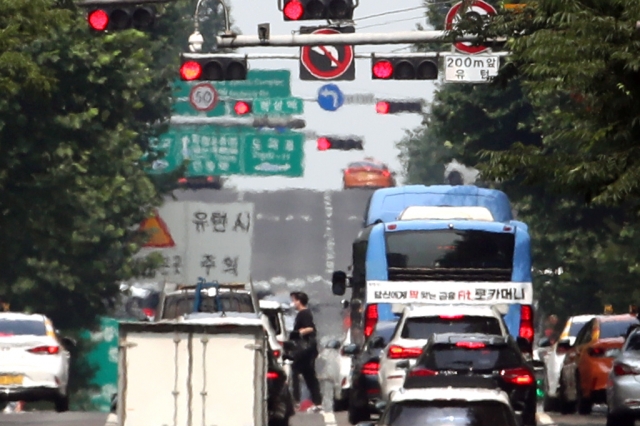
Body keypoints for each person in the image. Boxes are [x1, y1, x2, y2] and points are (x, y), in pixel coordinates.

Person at [289, 291, 323, 413]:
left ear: (299, 301)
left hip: (305, 350)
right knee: (309, 375)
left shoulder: (304, 313)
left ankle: (297, 401)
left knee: (296, 372)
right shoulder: (303, 313)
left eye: (294, 300)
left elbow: (310, 328)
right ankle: (317, 402)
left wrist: (298, 333)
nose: (293, 303)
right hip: (307, 351)